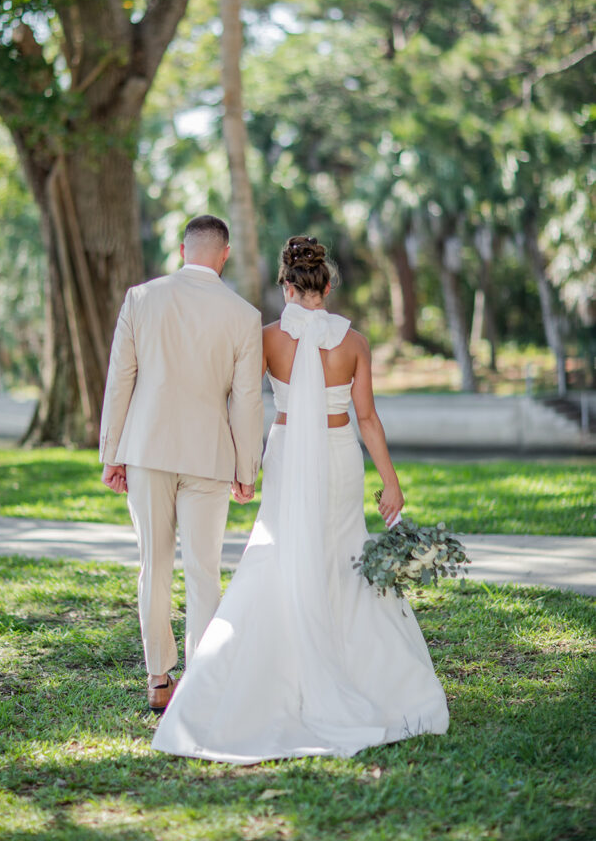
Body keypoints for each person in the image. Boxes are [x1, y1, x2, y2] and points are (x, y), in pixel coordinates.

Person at [152, 235, 449, 762]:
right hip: (339, 456)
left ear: (286, 286)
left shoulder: (266, 337)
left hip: (287, 451)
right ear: (328, 285)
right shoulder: (354, 343)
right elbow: (368, 419)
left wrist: (241, 467)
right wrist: (392, 480)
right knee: (342, 554)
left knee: (283, 549)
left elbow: (241, 401)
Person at [99, 215, 263, 714]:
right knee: (203, 568)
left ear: (180, 249)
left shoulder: (141, 299)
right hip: (210, 455)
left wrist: (112, 453)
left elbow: (120, 380)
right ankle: (204, 680)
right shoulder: (243, 314)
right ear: (225, 253)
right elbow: (247, 400)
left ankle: (157, 678)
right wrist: (246, 467)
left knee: (155, 564)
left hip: (147, 449)